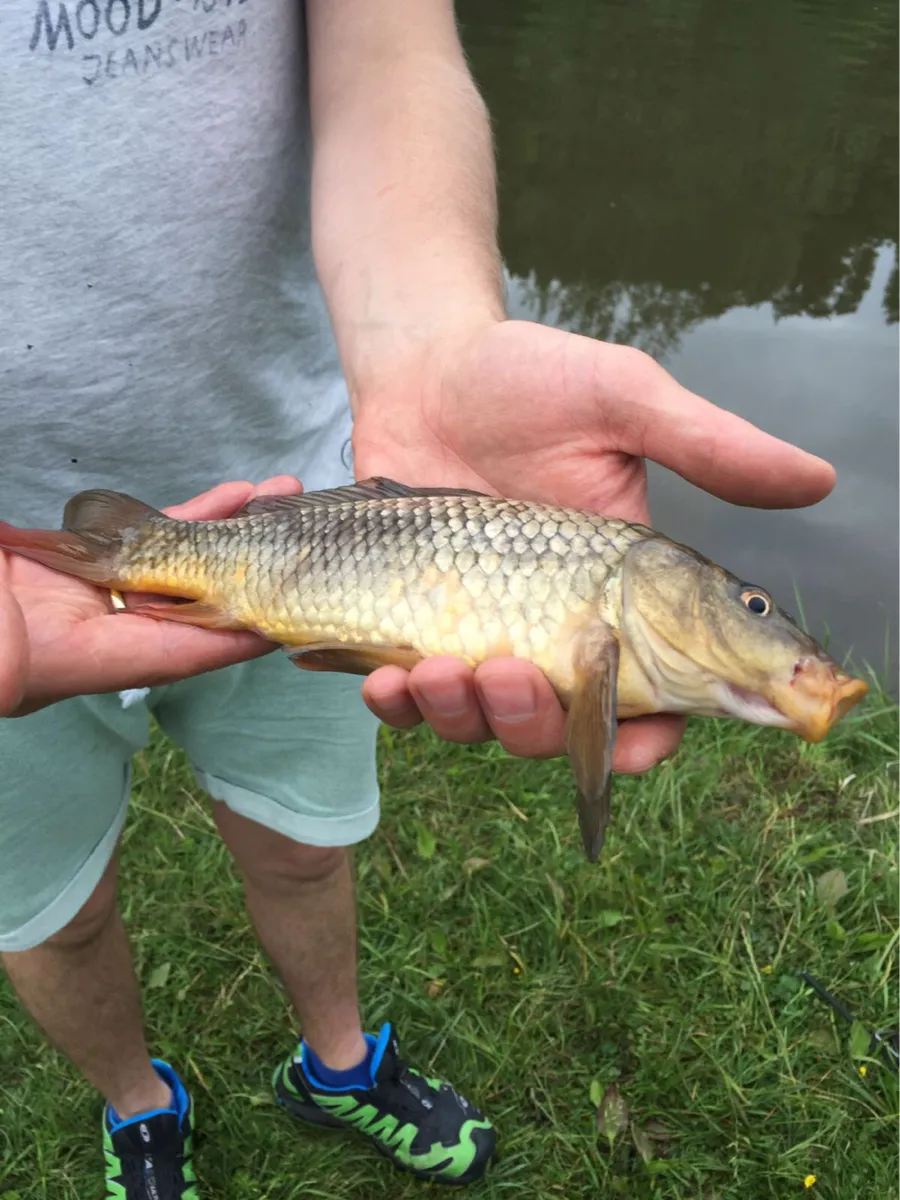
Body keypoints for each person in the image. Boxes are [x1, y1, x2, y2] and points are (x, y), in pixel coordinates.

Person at [0, 2, 835, 1196]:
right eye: (751, 609)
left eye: (751, 610)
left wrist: (435, 339)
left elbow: (389, 52)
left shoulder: (616, 614)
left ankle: (338, 1063)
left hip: (312, 474)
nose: (764, 624)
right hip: (125, 534)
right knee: (53, 911)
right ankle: (136, 1102)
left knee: (306, 847)